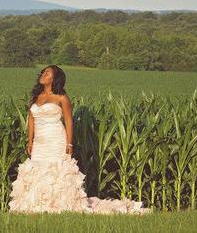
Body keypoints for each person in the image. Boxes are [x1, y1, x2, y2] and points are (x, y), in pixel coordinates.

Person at [8, 65, 151, 215]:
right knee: (36, 171)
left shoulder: (62, 98)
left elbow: (69, 122)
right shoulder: (36, 97)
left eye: (47, 73)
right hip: (39, 142)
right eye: (43, 72)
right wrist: (30, 141)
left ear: (55, 79)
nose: (43, 74)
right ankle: (36, 206)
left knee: (57, 172)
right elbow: (31, 119)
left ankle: (60, 206)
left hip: (56, 139)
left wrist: (69, 143)